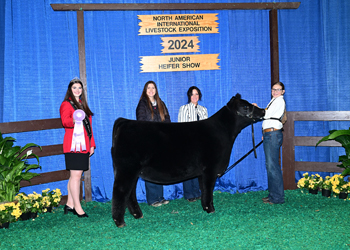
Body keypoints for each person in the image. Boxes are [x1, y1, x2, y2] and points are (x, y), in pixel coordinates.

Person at [60, 77, 96, 217]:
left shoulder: (82, 105)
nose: (77, 90)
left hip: (84, 145)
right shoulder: (66, 104)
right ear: (70, 89)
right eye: (74, 87)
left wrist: (92, 144)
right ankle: (77, 207)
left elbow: (89, 128)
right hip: (72, 145)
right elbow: (65, 122)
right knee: (76, 176)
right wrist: (75, 119)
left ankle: (69, 204)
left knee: (74, 176)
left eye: (79, 88)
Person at [136, 80, 171, 207]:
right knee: (150, 169)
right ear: (145, 91)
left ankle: (160, 197)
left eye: (153, 88)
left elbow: (167, 120)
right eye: (148, 88)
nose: (151, 90)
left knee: (160, 169)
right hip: (149, 142)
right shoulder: (142, 104)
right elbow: (141, 123)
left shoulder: (161, 104)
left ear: (156, 90)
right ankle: (152, 199)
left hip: (161, 142)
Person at [254, 81, 286, 205]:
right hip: (269, 134)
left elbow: (266, 114)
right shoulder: (273, 101)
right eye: (273, 89)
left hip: (273, 134)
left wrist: (256, 109)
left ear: (283, 91)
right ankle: (273, 195)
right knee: (270, 165)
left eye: (278, 90)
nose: (275, 92)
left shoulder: (279, 101)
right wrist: (265, 132)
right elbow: (268, 117)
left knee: (272, 166)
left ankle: (278, 198)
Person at [178, 86, 208, 202]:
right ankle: (189, 194)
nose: (195, 96)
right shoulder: (183, 108)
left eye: (197, 94)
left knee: (198, 168)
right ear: (189, 96)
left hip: (200, 143)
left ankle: (197, 191)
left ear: (199, 96)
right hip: (187, 142)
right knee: (187, 168)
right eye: (192, 94)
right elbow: (180, 126)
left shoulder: (203, 109)